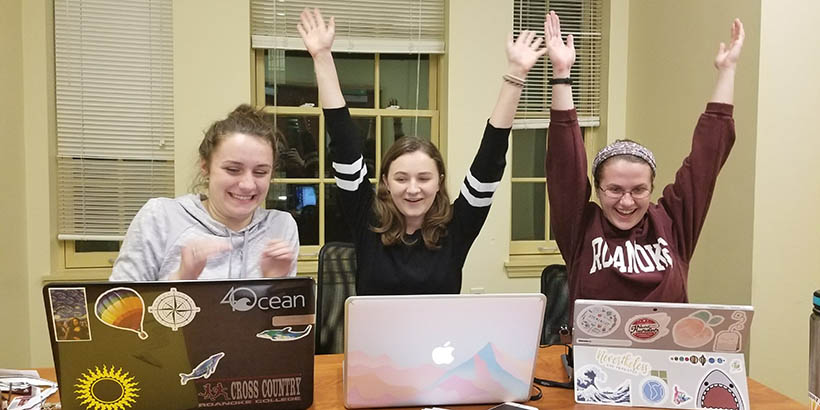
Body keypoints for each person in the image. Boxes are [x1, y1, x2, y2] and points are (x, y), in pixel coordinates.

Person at [297, 8, 546, 294]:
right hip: (375, 340)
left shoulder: (457, 227)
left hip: (439, 340)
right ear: (385, 182)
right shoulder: (366, 218)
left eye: (423, 178)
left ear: (439, 180)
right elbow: (343, 144)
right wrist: (322, 57)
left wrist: (516, 75)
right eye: (401, 178)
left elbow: (489, 161)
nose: (412, 189)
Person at [544, 11, 744, 308]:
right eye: (614, 190)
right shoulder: (581, 228)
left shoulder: (672, 223)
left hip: (666, 353)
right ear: (598, 189)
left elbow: (706, 161)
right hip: (595, 355)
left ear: (652, 188)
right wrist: (561, 72)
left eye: (638, 190)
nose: (627, 202)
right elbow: (564, 164)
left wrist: (727, 71)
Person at [110, 105, 299, 281]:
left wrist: (274, 284)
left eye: (260, 172)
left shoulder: (280, 226)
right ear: (205, 167)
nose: (248, 185)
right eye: (233, 169)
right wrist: (182, 278)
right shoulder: (160, 217)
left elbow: (287, 316)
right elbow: (117, 311)